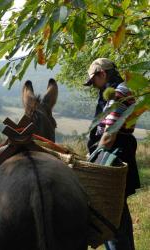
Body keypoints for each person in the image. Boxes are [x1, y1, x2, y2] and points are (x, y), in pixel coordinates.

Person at [84, 58, 140, 250]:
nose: (93, 86)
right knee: (115, 215)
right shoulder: (110, 93)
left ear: (103, 74)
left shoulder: (119, 92)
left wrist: (92, 164)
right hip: (109, 155)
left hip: (113, 157)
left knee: (112, 218)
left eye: (93, 81)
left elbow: (110, 135)